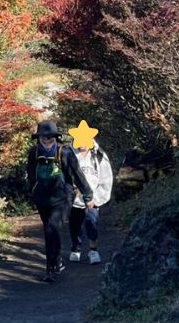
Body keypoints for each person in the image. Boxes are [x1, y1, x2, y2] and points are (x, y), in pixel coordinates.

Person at [25, 119, 93, 279]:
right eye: (44, 138)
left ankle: (51, 268)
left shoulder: (66, 152)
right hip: (42, 198)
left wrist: (87, 195)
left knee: (52, 228)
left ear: (55, 138)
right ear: (39, 138)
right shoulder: (33, 153)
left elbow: (77, 175)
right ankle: (56, 262)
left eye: (50, 138)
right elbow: (30, 175)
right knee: (49, 231)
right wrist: (31, 192)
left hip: (63, 198)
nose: (47, 141)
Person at [68, 137, 114, 265]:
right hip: (73, 198)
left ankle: (93, 249)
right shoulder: (68, 153)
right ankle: (76, 248)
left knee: (91, 222)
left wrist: (98, 198)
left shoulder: (99, 156)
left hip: (93, 198)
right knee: (74, 224)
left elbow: (106, 178)